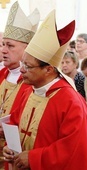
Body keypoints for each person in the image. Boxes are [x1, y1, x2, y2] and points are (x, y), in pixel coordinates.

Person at [2, 10, 87, 170]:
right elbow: (15, 124)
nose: (21, 70)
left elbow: (72, 149)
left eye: (27, 66)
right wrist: (9, 147)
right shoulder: (29, 91)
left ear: (49, 69)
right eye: (23, 64)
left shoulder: (70, 101)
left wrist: (34, 158)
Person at [0, 2, 40, 170]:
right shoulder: (1, 75)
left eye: (10, 46)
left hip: (15, 155)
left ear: (27, 49)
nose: (3, 50)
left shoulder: (33, 83)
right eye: (3, 44)